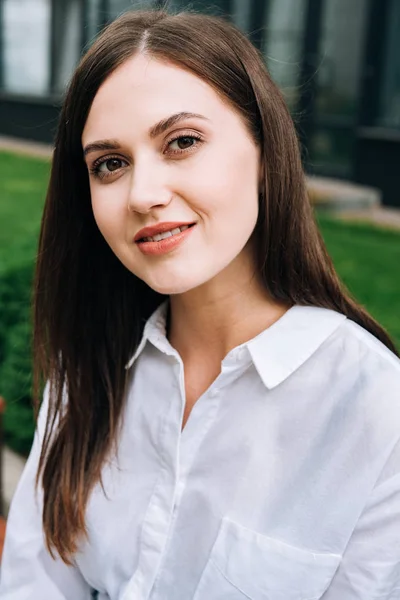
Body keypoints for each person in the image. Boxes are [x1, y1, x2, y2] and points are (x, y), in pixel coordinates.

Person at [1, 8, 400, 600]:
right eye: (109, 164)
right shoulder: (84, 365)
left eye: (182, 142)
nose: (143, 194)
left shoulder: (377, 411)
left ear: (266, 152)